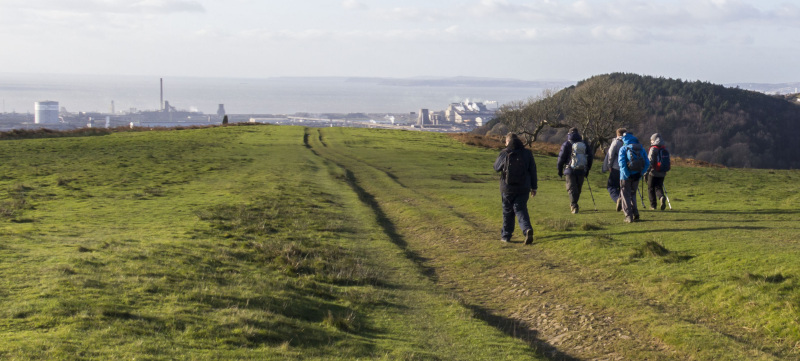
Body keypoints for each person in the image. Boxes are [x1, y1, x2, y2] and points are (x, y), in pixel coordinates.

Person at [494, 133, 538, 244]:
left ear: (507, 142)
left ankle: (506, 236)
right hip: (523, 187)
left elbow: (496, 167)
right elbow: (533, 171)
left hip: (507, 188)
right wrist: (534, 187)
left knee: (507, 211)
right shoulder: (527, 153)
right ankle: (527, 229)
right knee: (521, 209)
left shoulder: (505, 153)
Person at [556, 128, 593, 214]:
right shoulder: (584, 144)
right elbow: (590, 157)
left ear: (569, 134)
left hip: (570, 169)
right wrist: (588, 169)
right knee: (578, 188)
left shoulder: (566, 144)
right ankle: (574, 204)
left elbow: (561, 158)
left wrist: (559, 170)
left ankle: (574, 205)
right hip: (581, 169)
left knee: (571, 188)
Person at [618, 132, 650, 223]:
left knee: (625, 196)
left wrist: (627, 174)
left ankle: (628, 216)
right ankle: (635, 213)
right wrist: (641, 173)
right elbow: (647, 163)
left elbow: (622, 164)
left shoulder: (623, 149)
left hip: (626, 176)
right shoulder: (641, 148)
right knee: (633, 194)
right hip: (637, 175)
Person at [602, 128, 627, 212]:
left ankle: (617, 199)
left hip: (616, 167)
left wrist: (609, 165)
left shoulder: (616, 142)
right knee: (622, 187)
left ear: (617, 134)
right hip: (626, 169)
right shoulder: (628, 142)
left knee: (611, 186)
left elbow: (610, 155)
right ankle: (624, 203)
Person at [646, 133, 670, 210]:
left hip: (653, 172)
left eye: (651, 140)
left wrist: (646, 171)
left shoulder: (653, 148)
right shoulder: (664, 148)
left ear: (654, 140)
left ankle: (653, 205)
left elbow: (650, 161)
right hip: (662, 172)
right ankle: (661, 197)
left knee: (651, 188)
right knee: (659, 187)